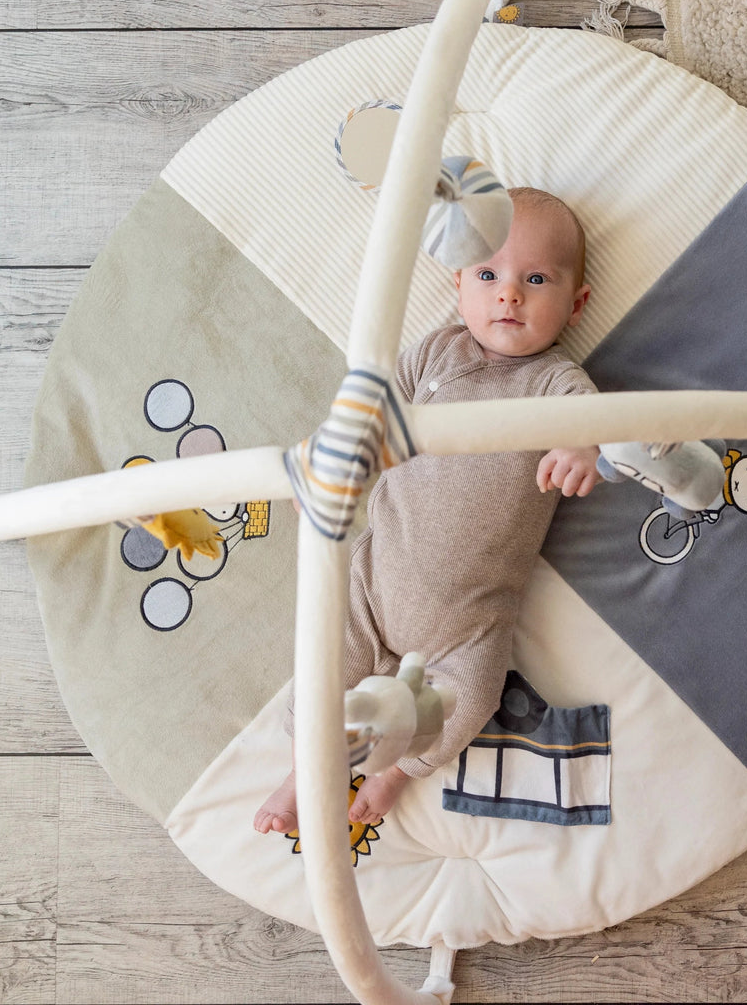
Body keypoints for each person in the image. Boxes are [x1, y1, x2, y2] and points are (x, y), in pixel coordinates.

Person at [254, 186, 601, 835]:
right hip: (377, 578)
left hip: (469, 621)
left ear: (575, 302)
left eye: (536, 279)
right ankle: (307, 771)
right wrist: (336, 475)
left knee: (472, 699)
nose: (509, 295)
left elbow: (589, 423)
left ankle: (392, 776)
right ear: (458, 284)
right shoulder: (432, 356)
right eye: (489, 276)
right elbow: (367, 419)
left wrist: (581, 450)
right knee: (323, 667)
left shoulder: (554, 381)